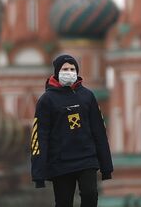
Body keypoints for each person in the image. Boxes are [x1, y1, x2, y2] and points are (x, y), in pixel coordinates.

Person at [31, 54, 113, 207]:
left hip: (86, 158)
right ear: (56, 72)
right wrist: (38, 174)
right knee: (63, 202)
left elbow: (99, 132)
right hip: (60, 162)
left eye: (72, 68)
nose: (69, 72)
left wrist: (106, 167)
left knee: (90, 194)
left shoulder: (87, 96)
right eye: (65, 69)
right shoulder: (46, 100)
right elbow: (39, 137)